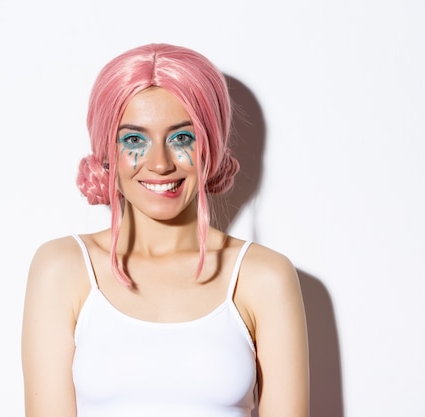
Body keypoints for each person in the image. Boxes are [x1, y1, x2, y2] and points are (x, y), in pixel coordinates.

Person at [21, 43, 309, 417]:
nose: (160, 164)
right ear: (108, 152)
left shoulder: (264, 277)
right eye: (135, 140)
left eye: (182, 138)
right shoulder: (63, 268)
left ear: (211, 147)